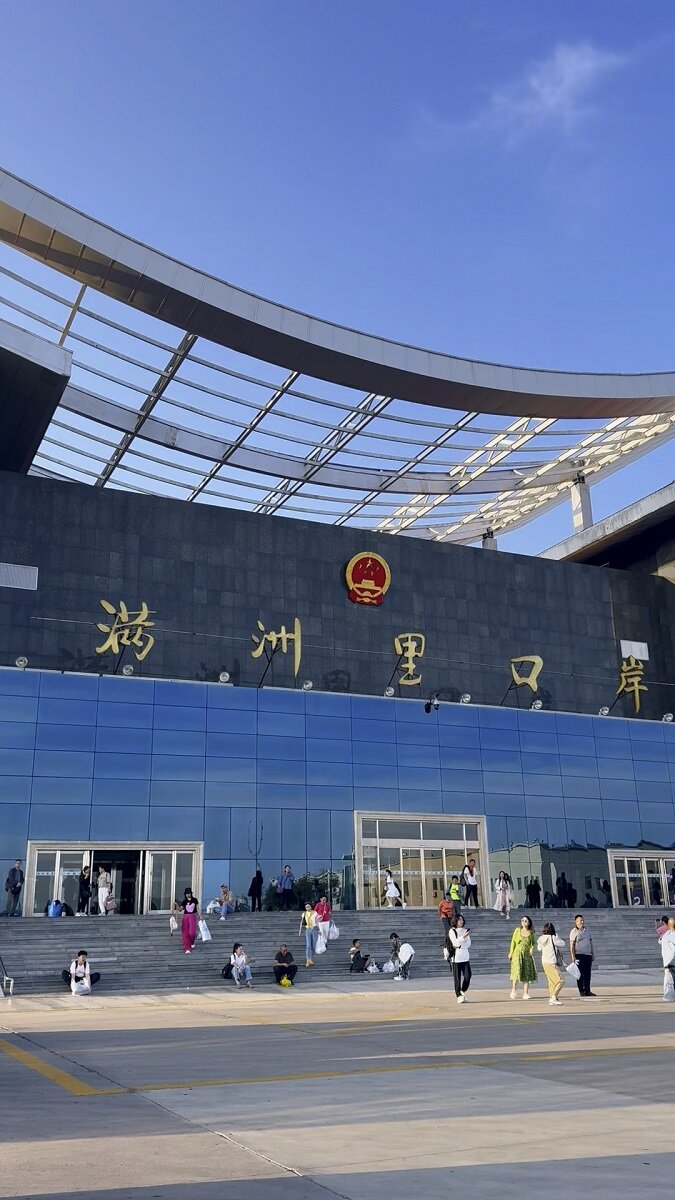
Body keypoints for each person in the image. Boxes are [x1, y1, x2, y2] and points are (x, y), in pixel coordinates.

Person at [537, 922, 566, 1006]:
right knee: (560, 980)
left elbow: (539, 948)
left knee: (551, 981)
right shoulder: (553, 938)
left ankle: (552, 997)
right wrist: (557, 936)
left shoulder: (541, 938)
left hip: (544, 962)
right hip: (551, 962)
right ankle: (553, 997)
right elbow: (563, 943)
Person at [509, 915, 537, 1000]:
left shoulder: (531, 932)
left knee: (526, 973)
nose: (524, 922)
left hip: (527, 955)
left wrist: (532, 949)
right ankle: (513, 990)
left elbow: (534, 943)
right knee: (516, 972)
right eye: (522, 920)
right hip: (517, 954)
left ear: (529, 922)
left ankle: (525, 993)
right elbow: (513, 942)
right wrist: (511, 953)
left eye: (525, 921)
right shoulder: (517, 930)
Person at [569, 914, 595, 997]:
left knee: (588, 974)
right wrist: (573, 956)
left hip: (588, 955)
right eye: (580, 920)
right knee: (580, 974)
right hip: (579, 955)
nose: (582, 922)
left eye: (582, 920)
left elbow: (591, 942)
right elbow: (571, 945)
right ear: (576, 922)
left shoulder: (587, 930)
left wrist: (592, 953)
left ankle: (587, 990)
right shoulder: (574, 932)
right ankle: (582, 991)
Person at [449, 914, 472, 1003]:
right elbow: (455, 943)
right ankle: (458, 995)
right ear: (455, 921)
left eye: (462, 920)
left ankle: (462, 990)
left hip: (465, 957)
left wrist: (461, 945)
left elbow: (468, 944)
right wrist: (463, 937)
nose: (461, 921)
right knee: (457, 978)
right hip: (456, 958)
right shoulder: (452, 931)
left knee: (468, 975)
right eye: (459, 920)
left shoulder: (465, 931)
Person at [658, 915, 675, 998]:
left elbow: (659, 940)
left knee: (668, 981)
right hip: (672, 961)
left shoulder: (664, 936)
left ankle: (668, 996)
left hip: (667, 962)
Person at [179, 889, 200, 954]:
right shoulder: (184, 901)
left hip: (193, 916)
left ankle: (192, 942)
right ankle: (187, 948)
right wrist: (177, 906)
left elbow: (197, 909)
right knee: (185, 933)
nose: (188, 895)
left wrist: (200, 916)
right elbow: (180, 909)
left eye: (189, 893)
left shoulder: (195, 900)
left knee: (192, 933)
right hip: (185, 917)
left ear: (191, 893)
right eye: (186, 894)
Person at [299, 901, 319, 967]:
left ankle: (311, 958)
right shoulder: (304, 913)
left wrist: (319, 929)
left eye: (309, 906)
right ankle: (308, 959)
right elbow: (302, 922)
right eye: (306, 907)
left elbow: (317, 921)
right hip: (308, 929)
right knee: (308, 945)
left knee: (314, 945)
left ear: (311, 907)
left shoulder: (315, 913)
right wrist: (300, 930)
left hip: (314, 929)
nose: (307, 908)